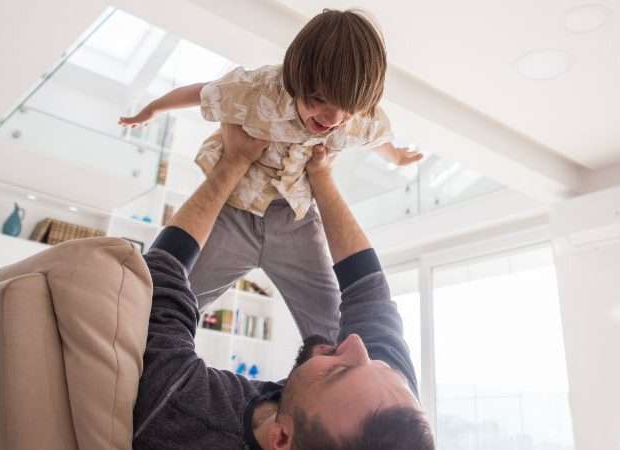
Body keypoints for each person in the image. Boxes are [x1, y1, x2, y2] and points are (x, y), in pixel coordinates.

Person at [119, 9, 422, 341]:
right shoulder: (257, 91)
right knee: (159, 304)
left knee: (335, 332)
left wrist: (396, 157)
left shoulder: (360, 118)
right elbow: (202, 92)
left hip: (296, 220)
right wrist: (154, 108)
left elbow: (377, 138)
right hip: (234, 210)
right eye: (319, 100)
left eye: (345, 110)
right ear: (298, 78)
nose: (330, 119)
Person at [132, 122, 435, 449]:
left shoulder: (181, 413)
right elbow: (368, 291)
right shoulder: (391, 412)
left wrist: (232, 163)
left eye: (337, 372)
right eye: (380, 364)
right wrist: (321, 176)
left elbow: (160, 277)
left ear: (281, 437)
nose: (356, 344)